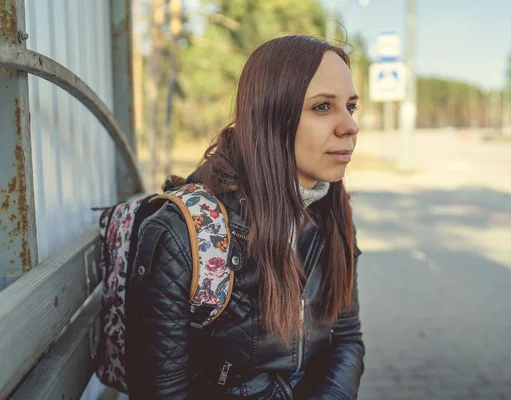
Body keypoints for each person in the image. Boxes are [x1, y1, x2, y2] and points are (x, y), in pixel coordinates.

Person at [125, 35, 364, 399]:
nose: (350, 126)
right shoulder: (182, 233)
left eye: (350, 106)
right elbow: (162, 389)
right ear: (271, 115)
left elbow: (347, 340)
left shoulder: (331, 210)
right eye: (321, 107)